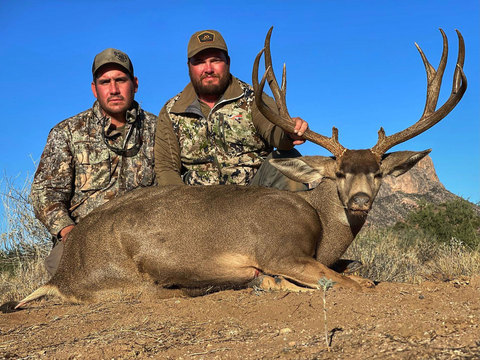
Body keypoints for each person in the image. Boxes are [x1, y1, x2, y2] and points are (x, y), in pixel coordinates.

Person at [31, 48, 157, 276]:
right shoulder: (67, 132)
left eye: (121, 80)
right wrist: (69, 232)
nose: (114, 89)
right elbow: (45, 193)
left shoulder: (158, 130)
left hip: (145, 237)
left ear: (135, 84)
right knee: (68, 279)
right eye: (105, 82)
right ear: (94, 89)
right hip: (86, 237)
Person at [154, 29, 308, 188]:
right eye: (199, 62)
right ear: (189, 66)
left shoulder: (253, 98)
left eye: (215, 60)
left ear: (227, 62)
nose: (208, 69)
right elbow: (166, 168)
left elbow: (274, 130)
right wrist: (183, 208)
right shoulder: (172, 111)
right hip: (197, 205)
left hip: (255, 198)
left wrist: (288, 132)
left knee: (289, 161)